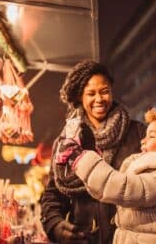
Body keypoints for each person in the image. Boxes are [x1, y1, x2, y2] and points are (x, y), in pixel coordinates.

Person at [56, 108, 156, 243]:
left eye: (152, 136)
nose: (143, 141)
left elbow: (122, 187)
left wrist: (79, 158)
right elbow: (107, 187)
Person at [40, 60, 146, 244]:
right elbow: (52, 195)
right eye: (91, 93)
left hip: (130, 238)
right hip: (84, 238)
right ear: (80, 97)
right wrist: (55, 226)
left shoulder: (137, 133)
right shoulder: (66, 142)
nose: (99, 99)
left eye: (104, 91)